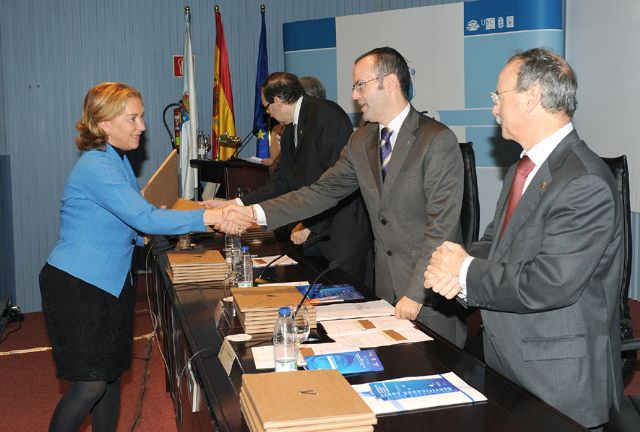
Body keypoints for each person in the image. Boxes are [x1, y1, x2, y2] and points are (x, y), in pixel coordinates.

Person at [424, 48, 623, 429]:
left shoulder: (583, 181)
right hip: (508, 367)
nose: (494, 108)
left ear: (531, 98)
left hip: (557, 384)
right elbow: (497, 242)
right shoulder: (525, 167)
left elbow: (549, 283)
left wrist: (464, 272)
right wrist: (456, 260)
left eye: (499, 96)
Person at [39, 82, 252, 432]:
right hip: (78, 286)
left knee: (109, 378)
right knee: (90, 384)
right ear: (104, 124)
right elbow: (145, 218)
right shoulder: (97, 167)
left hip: (109, 283)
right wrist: (210, 216)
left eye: (141, 116)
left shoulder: (116, 160)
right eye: (133, 118)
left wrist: (190, 213)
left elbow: (129, 221)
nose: (142, 126)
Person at [222, 47, 467, 347]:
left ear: (389, 83)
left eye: (360, 85)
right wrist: (253, 213)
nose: (354, 95)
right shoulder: (361, 140)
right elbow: (321, 192)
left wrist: (417, 294)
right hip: (385, 291)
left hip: (430, 296)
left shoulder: (436, 140)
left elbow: (441, 227)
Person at [204, 72, 374, 287]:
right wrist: (236, 204)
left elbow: (337, 183)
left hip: (342, 235)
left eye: (267, 108)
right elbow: (280, 184)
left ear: (277, 101)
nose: (268, 114)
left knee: (351, 299)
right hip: (313, 235)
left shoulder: (326, 115)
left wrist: (311, 226)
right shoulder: (289, 132)